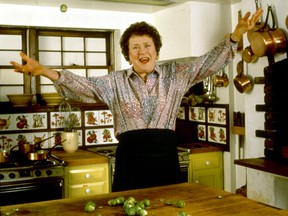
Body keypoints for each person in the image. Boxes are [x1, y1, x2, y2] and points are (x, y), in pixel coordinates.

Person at [10, 8, 263, 192]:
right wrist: (44, 71)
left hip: (166, 160)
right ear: (128, 55)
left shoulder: (176, 75)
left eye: (147, 45)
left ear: (157, 50)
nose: (143, 51)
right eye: (135, 47)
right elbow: (82, 86)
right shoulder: (114, 82)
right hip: (129, 162)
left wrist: (235, 36)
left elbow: (207, 62)